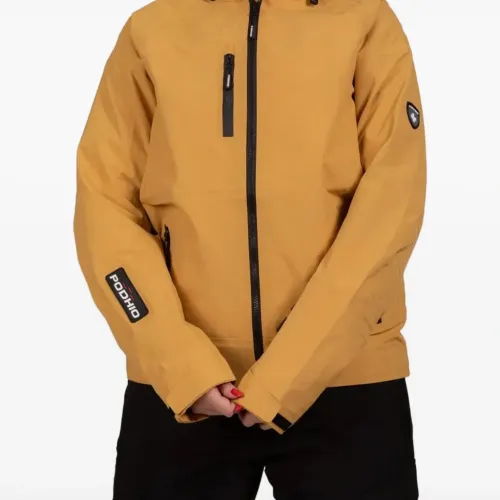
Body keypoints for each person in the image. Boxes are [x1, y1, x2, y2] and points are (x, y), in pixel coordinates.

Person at [74, 0, 426, 498]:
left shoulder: (364, 19)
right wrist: (181, 365)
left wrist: (288, 376)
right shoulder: (152, 29)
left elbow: (390, 209)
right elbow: (105, 209)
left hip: (346, 380)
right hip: (183, 388)